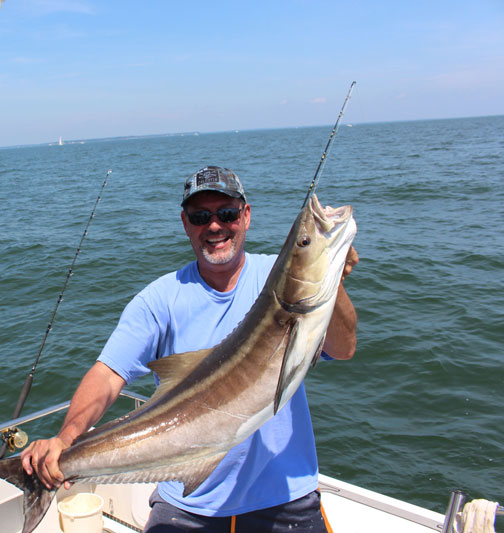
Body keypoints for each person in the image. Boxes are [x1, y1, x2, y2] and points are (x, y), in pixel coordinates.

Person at [20, 166, 359, 532]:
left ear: (246, 216)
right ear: (186, 224)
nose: (214, 226)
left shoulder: (275, 277)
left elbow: (344, 349)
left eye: (227, 213)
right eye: (200, 217)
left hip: (285, 498)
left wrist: (334, 277)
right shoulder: (158, 300)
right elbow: (107, 374)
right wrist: (66, 439)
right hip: (187, 504)